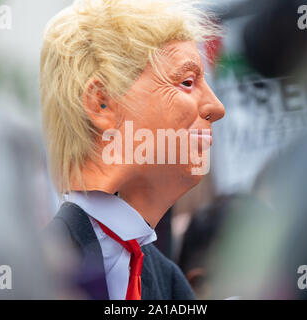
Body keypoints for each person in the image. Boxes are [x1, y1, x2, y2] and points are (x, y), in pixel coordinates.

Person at [40, 0, 225, 300]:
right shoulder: (40, 275)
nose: (216, 107)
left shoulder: (168, 280)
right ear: (102, 103)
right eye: (187, 82)